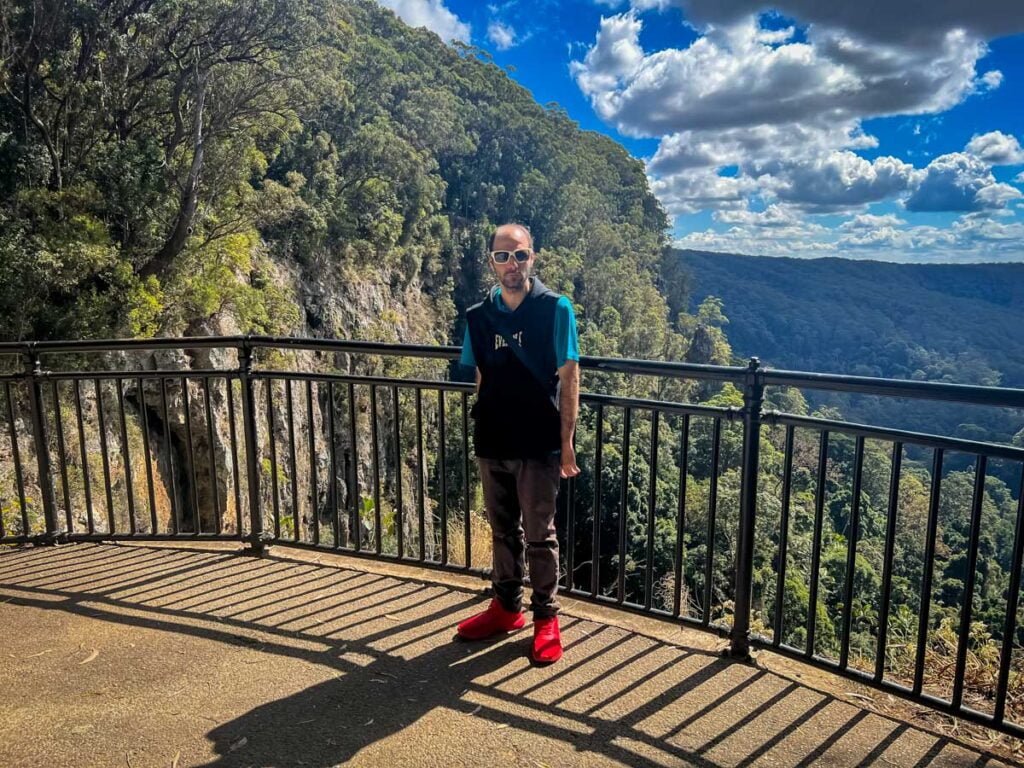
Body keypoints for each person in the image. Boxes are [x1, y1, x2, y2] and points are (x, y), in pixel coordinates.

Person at [456, 223, 581, 664]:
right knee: (502, 529)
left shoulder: (555, 309)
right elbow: (479, 375)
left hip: (538, 440)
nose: (512, 265)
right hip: (492, 437)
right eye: (503, 256)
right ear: (491, 261)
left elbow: (570, 378)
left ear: (533, 257)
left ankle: (546, 619)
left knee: (540, 536)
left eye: (520, 255)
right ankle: (505, 608)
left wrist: (566, 443)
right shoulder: (477, 315)